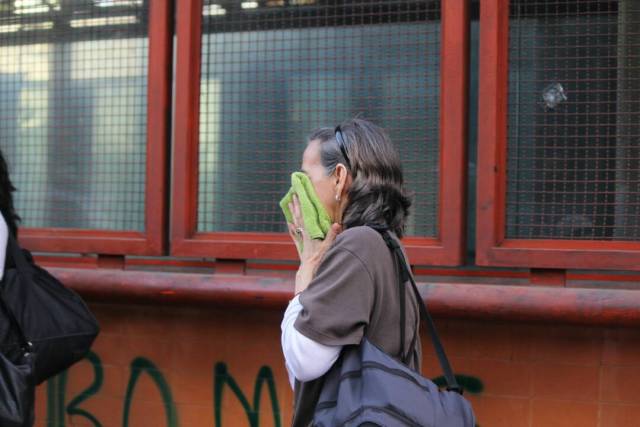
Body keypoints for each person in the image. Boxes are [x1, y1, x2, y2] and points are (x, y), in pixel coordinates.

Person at [280, 118, 421, 426]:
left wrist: (303, 281)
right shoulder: (385, 244)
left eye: (305, 178)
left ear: (339, 178)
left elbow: (305, 361)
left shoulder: (357, 245)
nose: (297, 192)